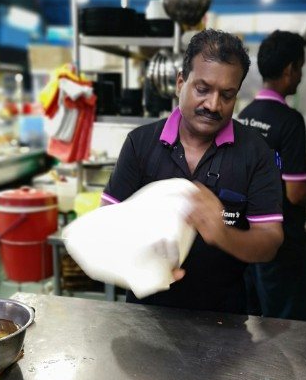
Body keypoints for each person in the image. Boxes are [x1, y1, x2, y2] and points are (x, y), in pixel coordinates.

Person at [101, 29, 284, 314]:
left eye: (227, 95)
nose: (213, 105)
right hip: (144, 315)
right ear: (180, 83)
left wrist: (223, 235)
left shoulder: (255, 152)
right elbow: (107, 222)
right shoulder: (141, 143)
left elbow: (270, 241)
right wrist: (141, 262)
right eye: (202, 89)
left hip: (224, 318)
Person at [238, 30, 306, 320]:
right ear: (290, 69)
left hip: (247, 237)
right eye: (301, 68)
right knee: (285, 326)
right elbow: (296, 193)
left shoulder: (246, 115)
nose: (301, 76)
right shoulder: (290, 121)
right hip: (280, 243)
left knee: (251, 321)